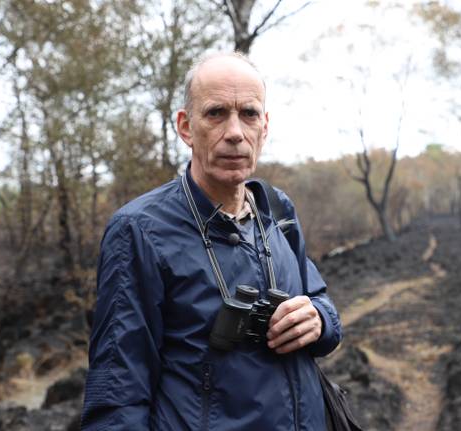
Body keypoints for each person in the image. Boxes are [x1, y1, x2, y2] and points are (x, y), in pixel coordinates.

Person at [81, 52, 342, 430]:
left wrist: (318, 319)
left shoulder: (277, 209)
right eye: (216, 113)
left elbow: (322, 302)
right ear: (186, 127)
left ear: (264, 127)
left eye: (249, 114)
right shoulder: (139, 230)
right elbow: (118, 391)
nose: (235, 132)